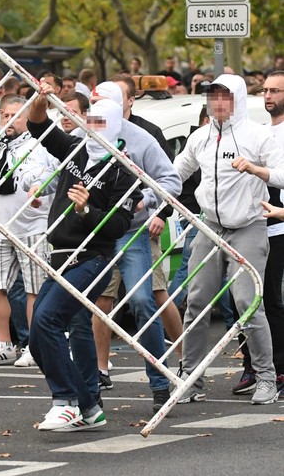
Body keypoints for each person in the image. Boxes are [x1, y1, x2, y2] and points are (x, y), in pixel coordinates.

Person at [26, 80, 142, 431]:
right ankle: (90, 406)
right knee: (35, 336)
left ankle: (67, 401)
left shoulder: (123, 172)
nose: (94, 129)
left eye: (101, 123)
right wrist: (40, 98)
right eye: (91, 122)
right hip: (60, 255)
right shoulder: (75, 149)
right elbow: (37, 125)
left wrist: (86, 211)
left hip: (92, 259)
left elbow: (120, 225)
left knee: (47, 320)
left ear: (115, 127)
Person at [174, 74, 284, 405]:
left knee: (248, 304)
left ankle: (266, 378)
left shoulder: (259, 135)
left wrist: (254, 169)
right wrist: (152, 196)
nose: (218, 104)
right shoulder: (200, 138)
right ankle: (190, 379)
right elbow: (175, 172)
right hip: (209, 228)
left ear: (236, 100)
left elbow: (281, 174)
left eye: (225, 98)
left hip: (248, 227)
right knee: (195, 303)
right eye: (213, 98)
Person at [82, 80, 182, 414]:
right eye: (91, 107)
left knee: (142, 300)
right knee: (93, 305)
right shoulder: (84, 136)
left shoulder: (141, 138)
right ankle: (91, 383)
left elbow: (172, 179)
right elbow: (61, 168)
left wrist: (146, 201)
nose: (94, 115)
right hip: (92, 234)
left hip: (131, 233)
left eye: (101, 107)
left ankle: (159, 382)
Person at [0, 95, 55, 366]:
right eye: (4, 114)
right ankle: (4, 345)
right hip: (0, 226)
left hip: (34, 225)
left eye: (15, 115)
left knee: (35, 290)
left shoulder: (41, 144)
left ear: (26, 117)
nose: (8, 120)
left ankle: (34, 346)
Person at [231, 72, 284, 396]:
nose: (267, 96)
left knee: (271, 301)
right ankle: (253, 364)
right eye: (264, 90)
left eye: (275, 90)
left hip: (278, 224)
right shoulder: (261, 132)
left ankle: (277, 368)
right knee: (241, 299)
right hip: (253, 224)